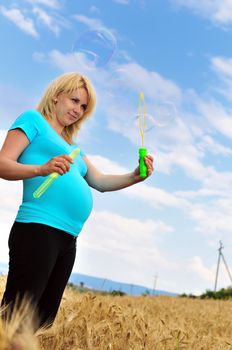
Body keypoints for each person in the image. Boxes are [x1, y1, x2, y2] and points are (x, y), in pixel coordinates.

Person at [0, 72, 154, 330]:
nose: (78, 110)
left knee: (40, 320)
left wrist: (135, 176)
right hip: (38, 229)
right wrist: (41, 169)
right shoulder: (33, 121)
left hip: (67, 240)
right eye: (74, 101)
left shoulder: (74, 149)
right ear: (56, 95)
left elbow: (101, 182)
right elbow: (3, 164)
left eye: (83, 107)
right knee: (15, 319)